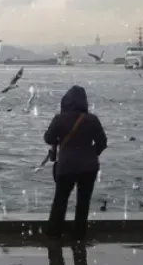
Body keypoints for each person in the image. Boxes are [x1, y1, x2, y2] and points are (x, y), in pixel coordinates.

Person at [44, 85, 107, 240]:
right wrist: (92, 153)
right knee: (83, 202)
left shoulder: (60, 119)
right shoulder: (92, 119)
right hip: (89, 168)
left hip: (66, 166)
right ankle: (79, 235)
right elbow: (102, 142)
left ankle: (54, 234)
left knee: (60, 200)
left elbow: (48, 138)